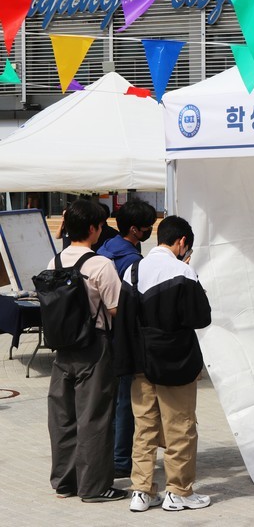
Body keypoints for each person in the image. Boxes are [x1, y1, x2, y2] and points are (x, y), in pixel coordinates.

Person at [113, 215, 212, 513]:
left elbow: (124, 321)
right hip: (175, 363)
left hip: (140, 362)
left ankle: (141, 491)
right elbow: (200, 318)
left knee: (144, 428)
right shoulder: (183, 272)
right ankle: (179, 491)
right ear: (182, 242)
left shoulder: (133, 270)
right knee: (180, 425)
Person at [47, 199, 127, 503]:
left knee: (63, 417)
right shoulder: (100, 265)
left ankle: (65, 481)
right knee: (94, 417)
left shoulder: (53, 262)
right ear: (94, 229)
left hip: (62, 349)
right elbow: (116, 308)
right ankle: (94, 486)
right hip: (94, 347)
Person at [97, 198, 157, 479]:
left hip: (100, 336)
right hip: (123, 339)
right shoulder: (132, 261)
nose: (149, 232)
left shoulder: (105, 249)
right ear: (135, 230)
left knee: (108, 400)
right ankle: (122, 459)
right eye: (147, 227)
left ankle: (108, 454)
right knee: (125, 401)